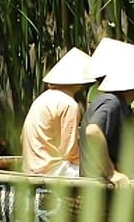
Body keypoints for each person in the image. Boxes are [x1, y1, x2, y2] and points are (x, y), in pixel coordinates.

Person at [79, 56, 134, 186]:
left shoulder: (126, 110)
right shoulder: (111, 102)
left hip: (130, 174)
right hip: (103, 182)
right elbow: (92, 132)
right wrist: (111, 173)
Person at [21, 48, 93, 177]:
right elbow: (69, 151)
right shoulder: (69, 104)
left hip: (31, 166)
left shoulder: (43, 98)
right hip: (52, 169)